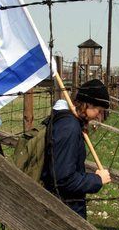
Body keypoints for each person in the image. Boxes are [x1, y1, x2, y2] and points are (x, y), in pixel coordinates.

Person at [41, 79, 111, 219]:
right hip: (64, 211)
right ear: (88, 104)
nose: (99, 115)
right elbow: (63, 179)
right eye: (99, 110)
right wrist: (97, 180)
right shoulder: (69, 127)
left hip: (65, 206)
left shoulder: (72, 123)